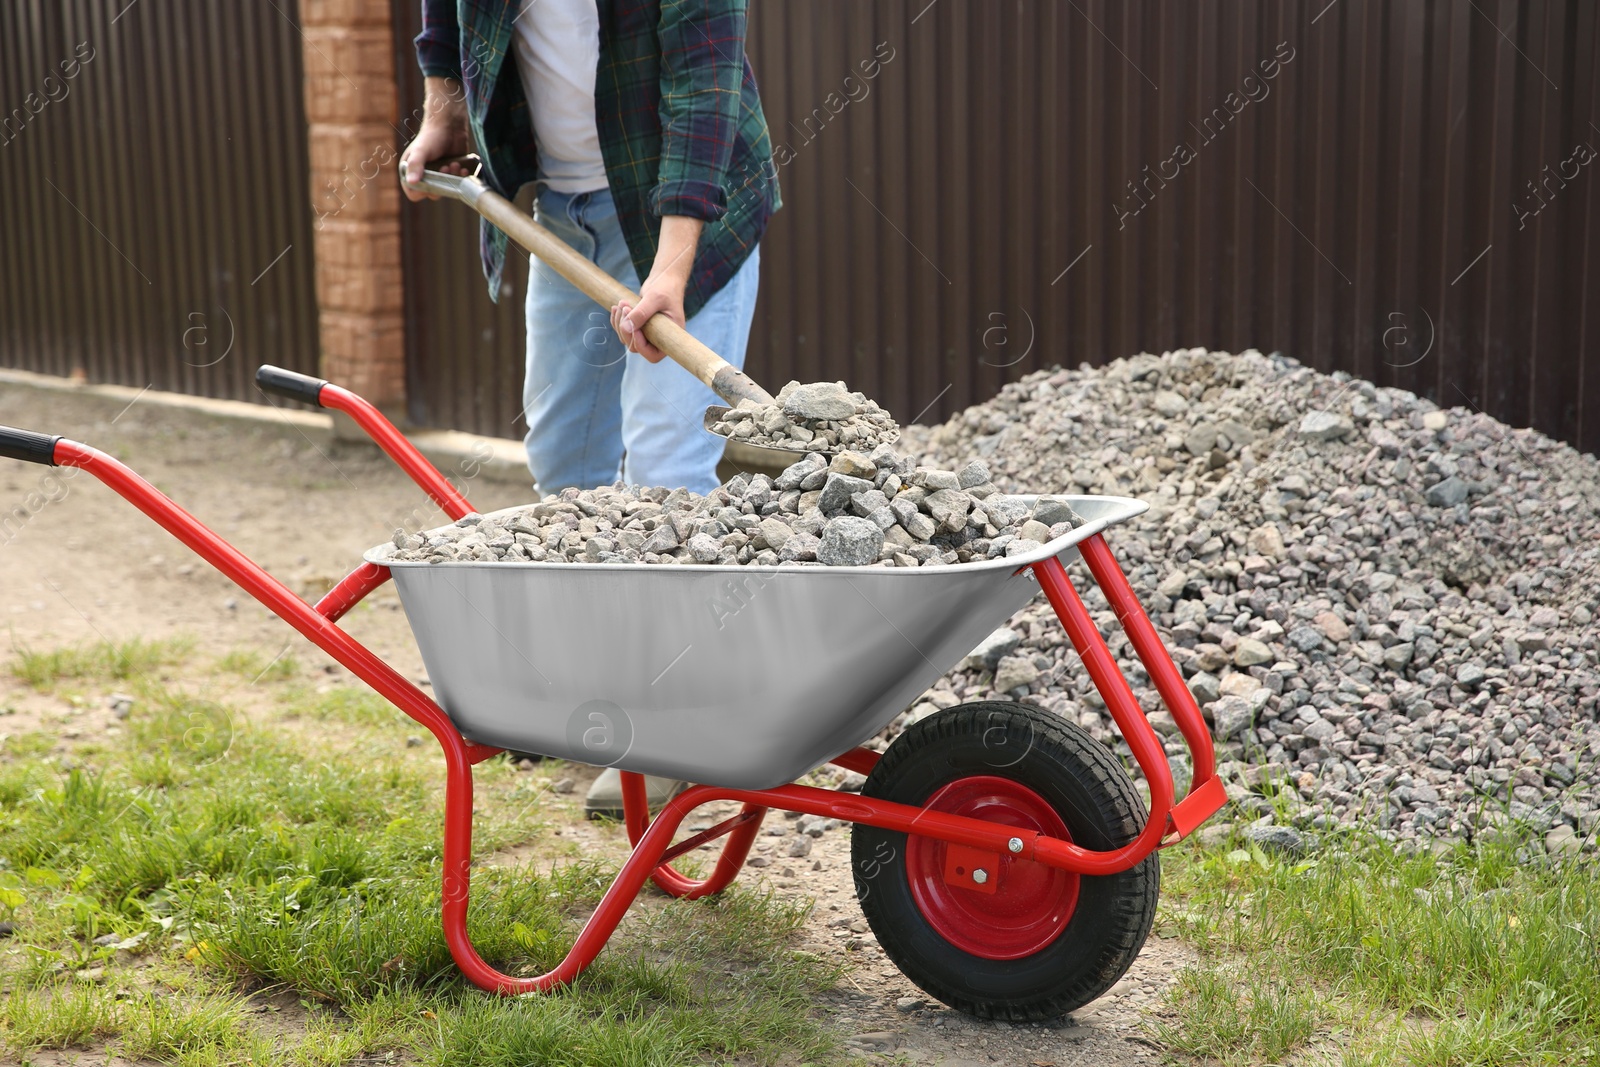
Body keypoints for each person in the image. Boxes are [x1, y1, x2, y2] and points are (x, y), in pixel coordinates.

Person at [401, 0, 781, 817]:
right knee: (564, 465)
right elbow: (444, 12)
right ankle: (596, 693)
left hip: (684, 211)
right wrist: (444, 111)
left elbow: (703, 81)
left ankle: (673, 728)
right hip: (562, 211)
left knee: (664, 467)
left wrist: (671, 268)